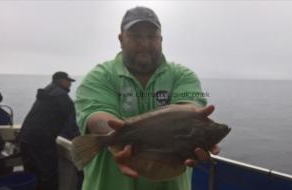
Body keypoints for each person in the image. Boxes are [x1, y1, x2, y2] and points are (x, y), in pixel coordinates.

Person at [75, 6, 219, 190]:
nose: (144, 43)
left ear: (161, 39)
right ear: (121, 39)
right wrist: (117, 137)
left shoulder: (183, 75)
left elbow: (189, 105)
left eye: (151, 36)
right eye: (136, 36)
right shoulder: (99, 76)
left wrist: (192, 114)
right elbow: (96, 114)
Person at [18, 71, 78, 190]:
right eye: (68, 81)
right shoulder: (62, 96)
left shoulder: (46, 92)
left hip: (25, 137)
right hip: (42, 141)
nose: (70, 84)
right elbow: (72, 124)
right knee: (48, 175)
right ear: (61, 81)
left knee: (32, 171)